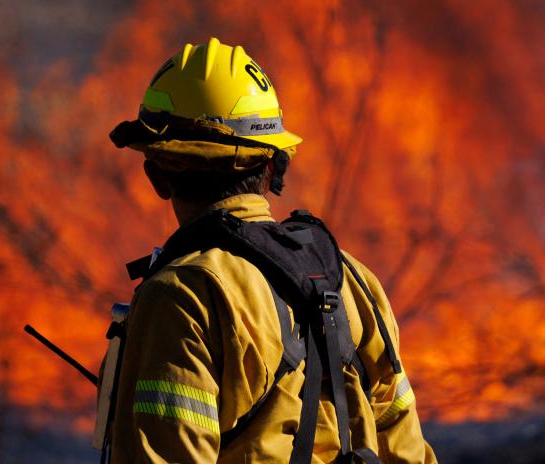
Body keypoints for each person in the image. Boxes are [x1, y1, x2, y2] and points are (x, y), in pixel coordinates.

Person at [105, 37, 438, 464]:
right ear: (272, 168)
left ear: (158, 177)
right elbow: (405, 447)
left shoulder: (182, 297)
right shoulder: (352, 278)